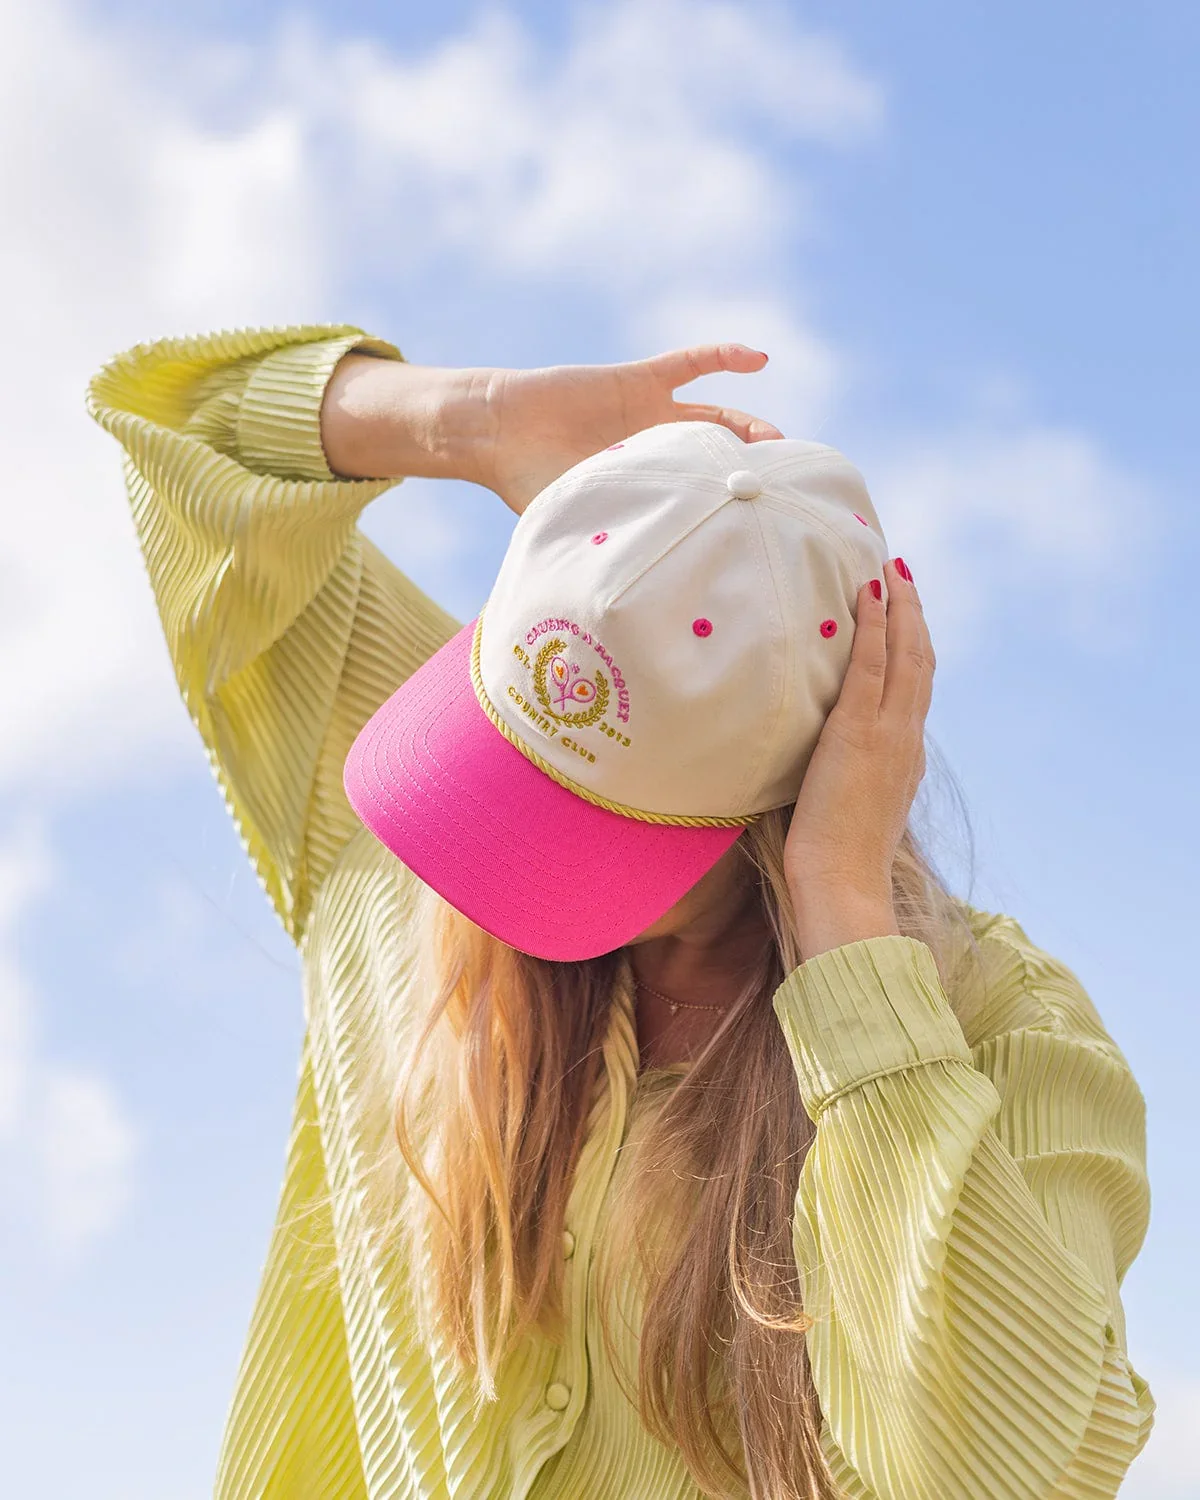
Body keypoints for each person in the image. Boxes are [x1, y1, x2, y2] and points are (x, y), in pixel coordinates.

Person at [86, 323, 1154, 1500]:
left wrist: (846, 917)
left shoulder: (1000, 1028)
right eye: (502, 771)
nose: (481, 859)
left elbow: (1004, 1474)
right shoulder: (402, 847)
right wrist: (478, 421)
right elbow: (178, 431)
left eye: (583, 824)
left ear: (785, 799)